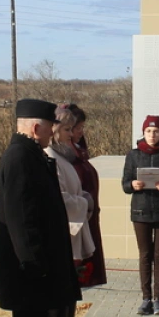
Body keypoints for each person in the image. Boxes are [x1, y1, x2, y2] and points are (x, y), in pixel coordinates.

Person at [0, 99, 77, 317]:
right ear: (36, 127)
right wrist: (33, 262)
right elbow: (21, 217)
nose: (52, 133)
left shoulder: (30, 155)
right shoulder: (19, 157)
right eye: (50, 127)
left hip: (36, 266)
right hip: (27, 269)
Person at [121, 115, 159, 316]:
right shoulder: (133, 155)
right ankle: (145, 298)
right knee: (145, 255)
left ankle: (158, 299)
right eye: (148, 131)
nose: (152, 135)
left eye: (155, 131)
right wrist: (132, 185)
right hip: (140, 210)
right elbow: (125, 184)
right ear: (143, 132)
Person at [46, 105, 92, 317]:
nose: (71, 134)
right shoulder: (51, 157)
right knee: (63, 288)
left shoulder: (63, 155)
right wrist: (85, 202)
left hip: (74, 228)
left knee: (71, 287)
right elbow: (62, 198)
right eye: (66, 129)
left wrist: (84, 197)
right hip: (66, 229)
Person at [66, 104, 106, 291]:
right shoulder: (64, 156)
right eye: (77, 128)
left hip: (87, 214)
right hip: (76, 219)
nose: (82, 132)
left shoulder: (79, 151)